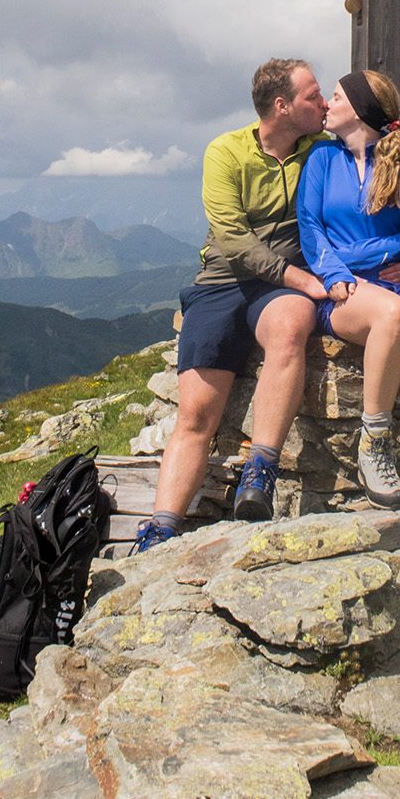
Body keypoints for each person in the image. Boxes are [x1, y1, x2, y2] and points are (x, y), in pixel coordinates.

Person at [132, 58, 331, 552]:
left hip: (277, 293)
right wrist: (298, 276)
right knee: (196, 414)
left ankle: (259, 471)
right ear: (281, 106)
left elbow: (374, 147)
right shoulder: (226, 151)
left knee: (291, 325)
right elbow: (233, 239)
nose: (324, 104)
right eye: (313, 97)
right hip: (223, 283)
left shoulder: (321, 150)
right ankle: (161, 527)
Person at [296, 69, 400, 509]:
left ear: (360, 109)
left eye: (335, 98)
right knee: (390, 314)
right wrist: (338, 271)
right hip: (344, 287)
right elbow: (311, 230)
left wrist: (360, 253)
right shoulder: (320, 158)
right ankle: (374, 444)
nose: (327, 106)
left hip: (398, 281)